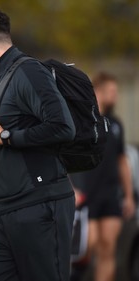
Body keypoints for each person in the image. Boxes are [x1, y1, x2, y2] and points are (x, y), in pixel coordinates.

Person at [0, 7, 77, 281]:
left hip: (38, 205)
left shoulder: (28, 70)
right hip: (1, 211)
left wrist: (7, 137)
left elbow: (63, 127)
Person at [70, 72, 135, 281]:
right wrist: (71, 188)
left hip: (110, 195)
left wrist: (128, 195)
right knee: (87, 247)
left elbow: (122, 160)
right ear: (98, 91)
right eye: (111, 91)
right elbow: (65, 159)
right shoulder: (82, 122)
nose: (115, 96)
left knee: (108, 248)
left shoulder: (115, 124)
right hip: (86, 196)